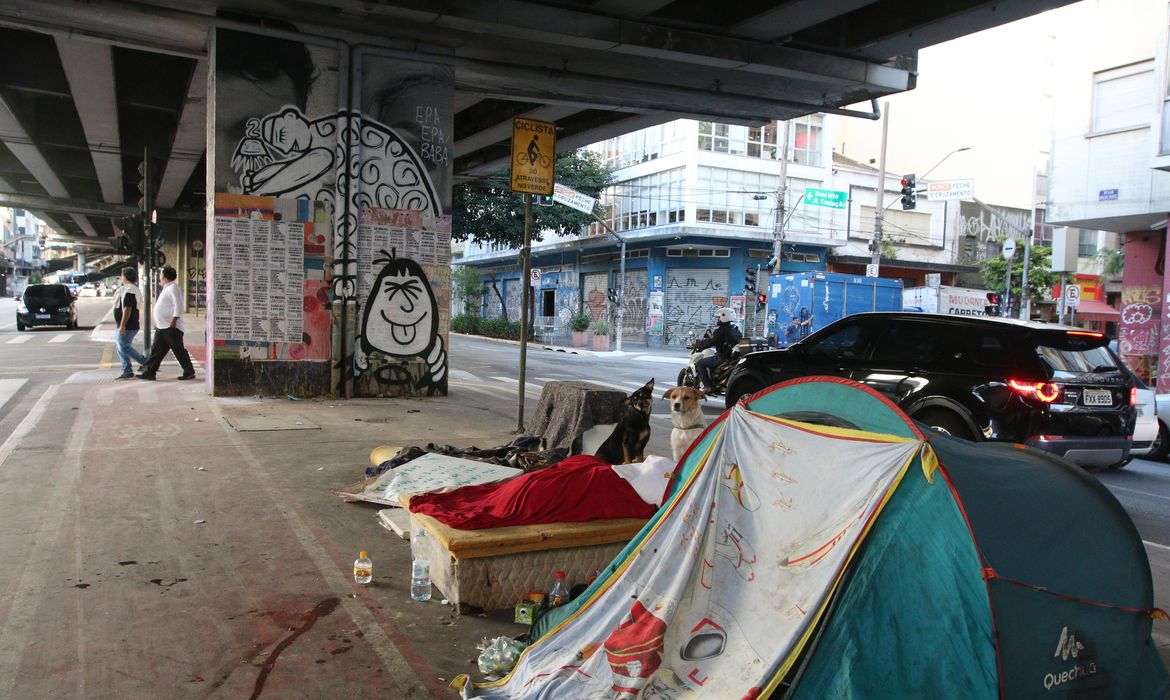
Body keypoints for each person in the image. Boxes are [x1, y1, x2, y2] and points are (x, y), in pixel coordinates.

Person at [137, 266, 196, 381]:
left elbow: (179, 305)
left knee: (178, 350)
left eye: (161, 274)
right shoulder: (168, 288)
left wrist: (174, 320)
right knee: (157, 351)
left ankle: (189, 372)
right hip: (163, 326)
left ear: (165, 276)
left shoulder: (174, 288)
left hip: (171, 326)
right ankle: (149, 372)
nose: (160, 276)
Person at [695, 307, 741, 394]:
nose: (718, 319)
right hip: (732, 358)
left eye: (719, 317)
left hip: (722, 358)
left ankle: (707, 386)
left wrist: (699, 344)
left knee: (700, 363)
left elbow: (711, 342)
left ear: (723, 316)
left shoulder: (720, 331)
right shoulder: (736, 330)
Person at [112, 267, 147, 380]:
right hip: (125, 324)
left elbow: (128, 308)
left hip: (128, 325)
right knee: (120, 346)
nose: (121, 277)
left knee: (123, 346)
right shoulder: (127, 289)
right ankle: (127, 370)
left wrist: (123, 325)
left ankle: (145, 362)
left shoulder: (130, 290)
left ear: (125, 277)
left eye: (122, 275)